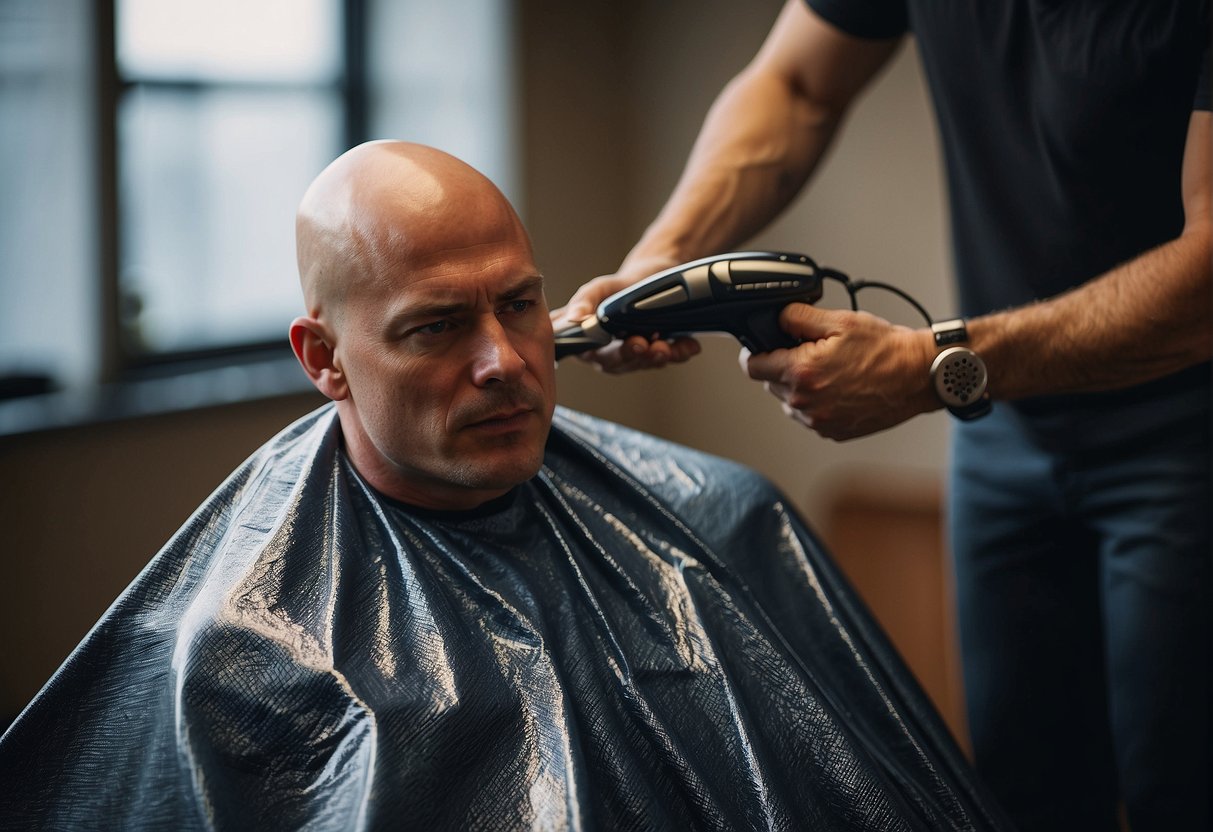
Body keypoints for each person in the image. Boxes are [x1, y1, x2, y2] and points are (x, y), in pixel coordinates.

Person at [0, 140, 1011, 830]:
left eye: (519, 305)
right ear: (324, 357)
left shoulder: (724, 524)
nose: (506, 363)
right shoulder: (242, 652)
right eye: (436, 325)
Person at [556, 3, 1212, 830]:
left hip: (1187, 430)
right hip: (1005, 429)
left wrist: (934, 366)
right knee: (1019, 792)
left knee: (1184, 789)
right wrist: (662, 256)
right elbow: (794, 85)